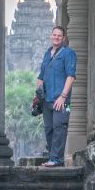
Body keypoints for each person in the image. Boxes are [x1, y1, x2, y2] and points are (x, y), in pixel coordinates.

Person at [36, 25, 76, 167]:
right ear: (51, 36)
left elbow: (71, 76)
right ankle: (53, 157)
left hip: (63, 100)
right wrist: (36, 98)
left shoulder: (68, 53)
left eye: (59, 35)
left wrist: (63, 96)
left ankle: (56, 159)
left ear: (63, 38)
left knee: (60, 127)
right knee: (49, 128)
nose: (56, 37)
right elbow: (41, 77)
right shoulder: (47, 54)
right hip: (46, 99)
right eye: (54, 35)